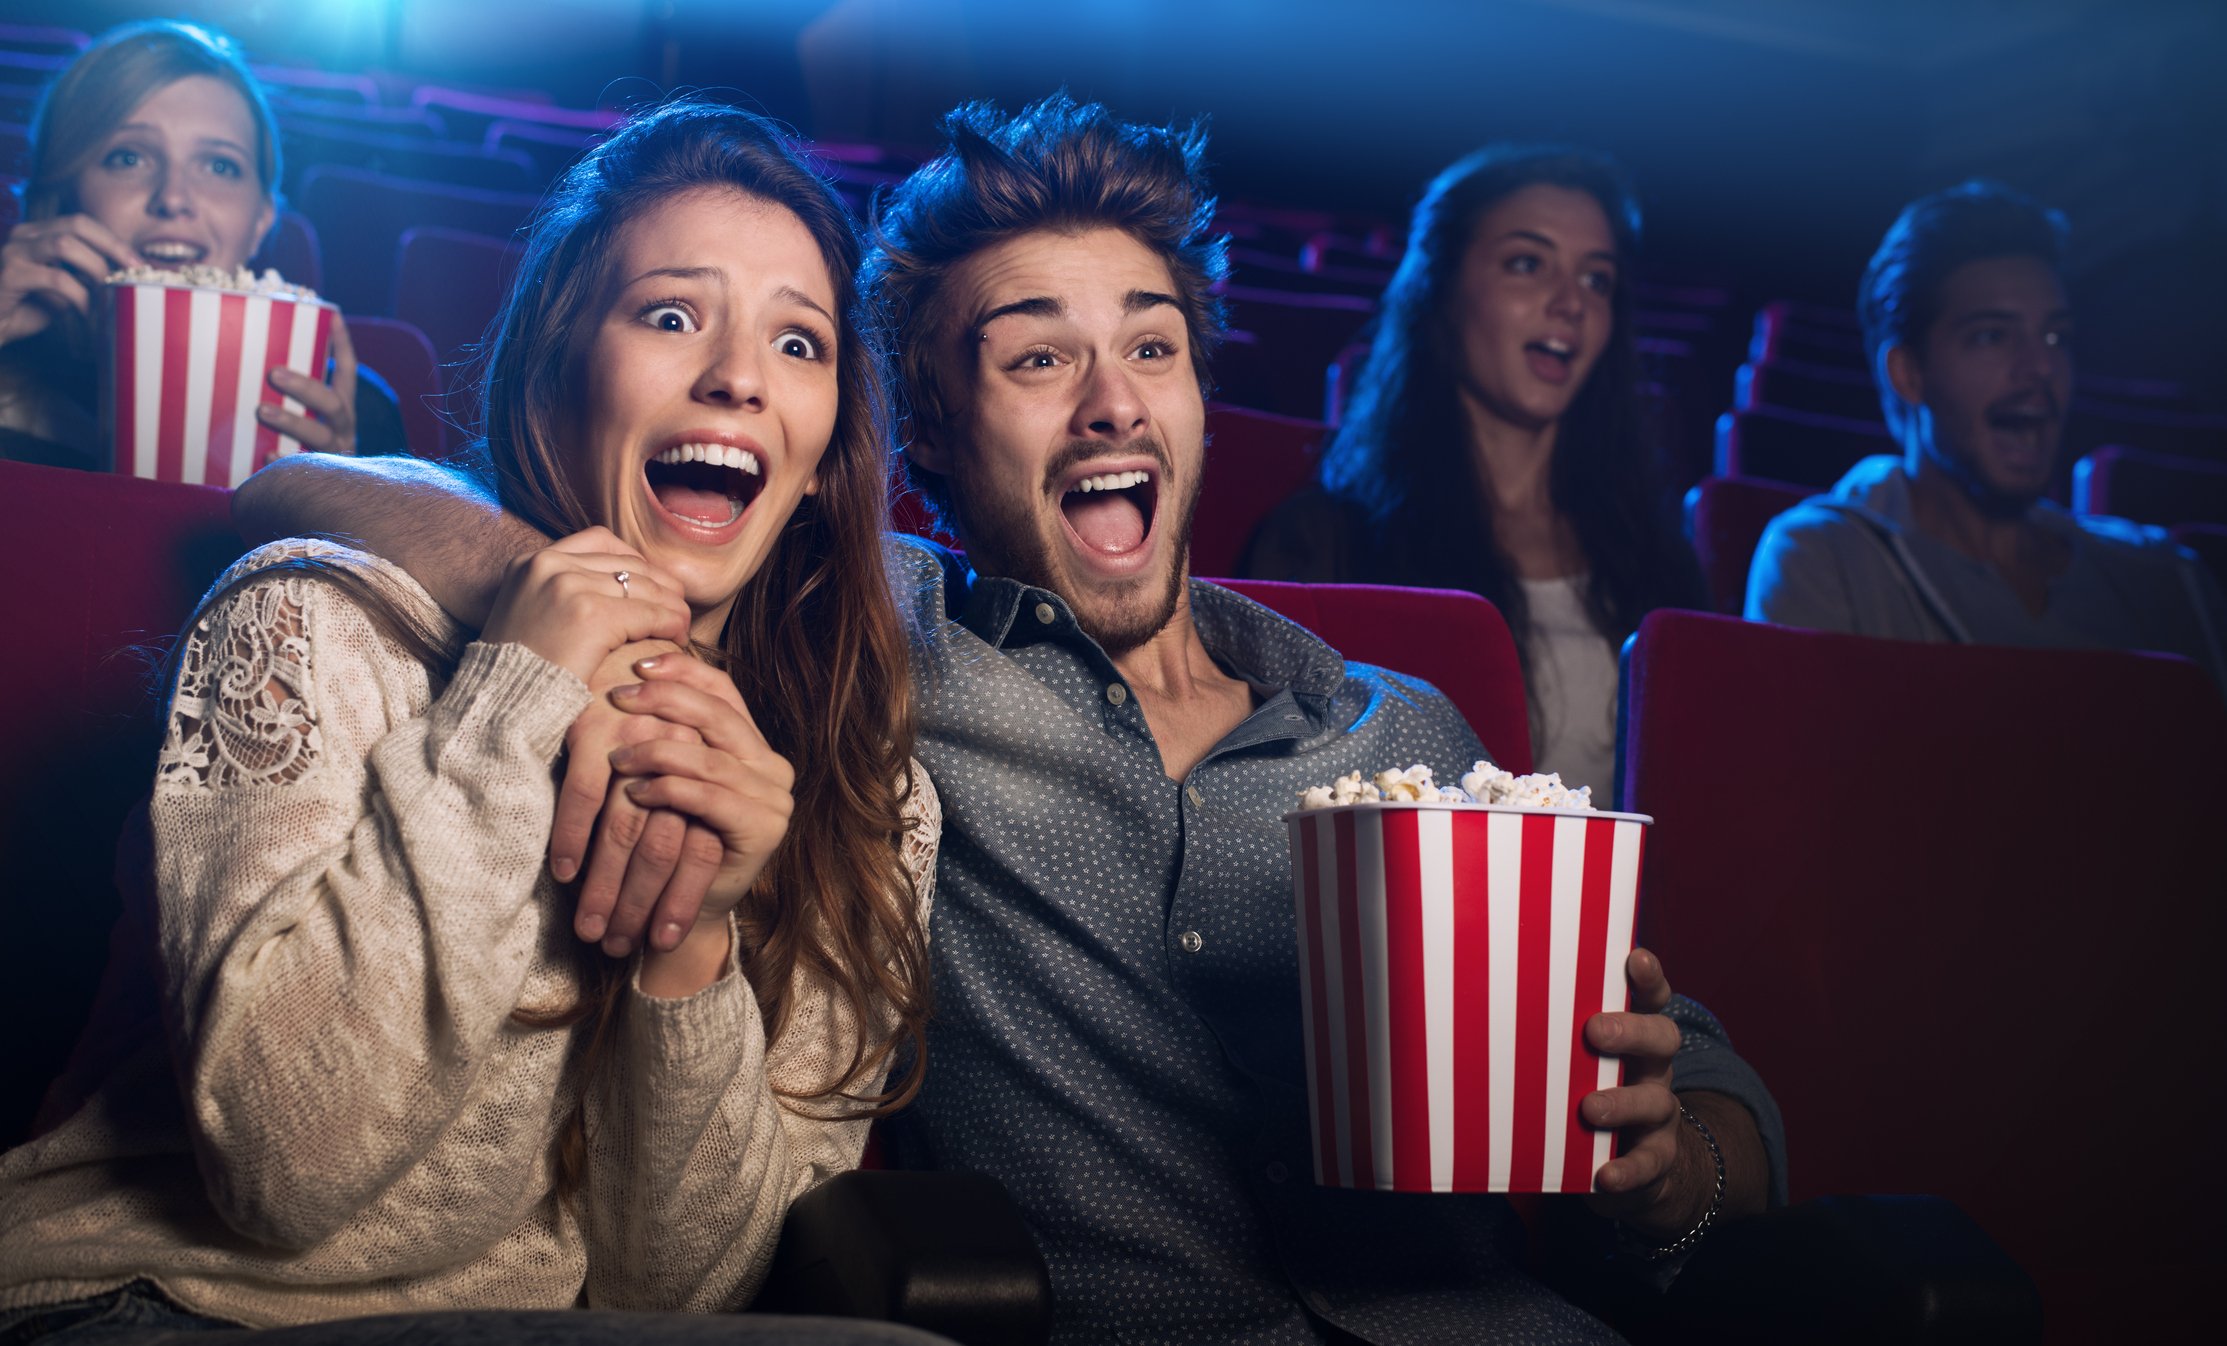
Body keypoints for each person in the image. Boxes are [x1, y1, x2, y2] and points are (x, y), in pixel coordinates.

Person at [227, 95, 1786, 1345]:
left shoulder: (1403, 724)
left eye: (1151, 350)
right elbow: (303, 493)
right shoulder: (868, 638)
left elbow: (1713, 1098)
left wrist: (1663, 1167)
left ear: (1193, 402)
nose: (1110, 402)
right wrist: (557, 593)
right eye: (1037, 356)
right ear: (924, 438)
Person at [0, 101, 938, 1340]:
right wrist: (509, 713)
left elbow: (677, 1291)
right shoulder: (307, 621)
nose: (737, 377)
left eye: (799, 343)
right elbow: (283, 1170)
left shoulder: (865, 794)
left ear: (823, 458)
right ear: (554, 378)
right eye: (670, 315)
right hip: (157, 1299)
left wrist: (693, 940)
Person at [1242, 147, 1704, 798]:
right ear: (1439, 291)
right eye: (1527, 264)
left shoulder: (1660, 567)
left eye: (1596, 280)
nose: (1571, 303)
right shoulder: (1328, 542)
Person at [1745, 179, 2227, 691]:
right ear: (1908, 373)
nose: (2041, 366)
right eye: (1991, 336)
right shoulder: (1826, 561)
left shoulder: (2165, 577)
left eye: (2055, 336)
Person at [0, 19, 405, 469]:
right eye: (128, 157)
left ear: (260, 221)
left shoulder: (354, 416)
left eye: (219, 166)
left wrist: (338, 502)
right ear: (58, 203)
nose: (173, 198)